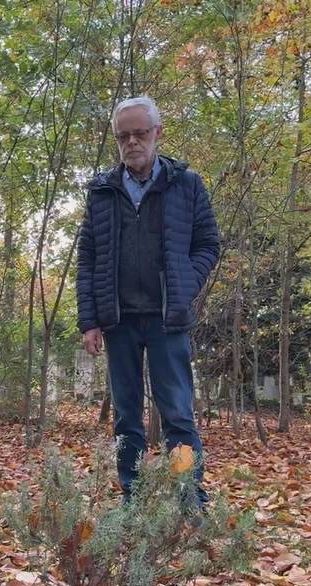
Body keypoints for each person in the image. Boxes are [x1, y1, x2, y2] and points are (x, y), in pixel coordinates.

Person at [75, 96, 220, 502]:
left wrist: (185, 283)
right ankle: (133, 500)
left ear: (157, 132)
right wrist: (89, 320)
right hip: (118, 320)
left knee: (177, 414)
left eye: (140, 133)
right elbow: (88, 257)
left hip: (167, 318)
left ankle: (188, 497)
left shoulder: (186, 184)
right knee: (126, 419)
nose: (132, 143)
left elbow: (209, 243)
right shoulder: (102, 191)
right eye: (124, 136)